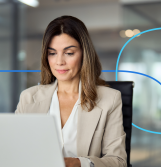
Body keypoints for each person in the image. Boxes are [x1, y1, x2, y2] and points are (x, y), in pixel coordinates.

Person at [15, 15, 127, 167]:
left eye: (69, 53)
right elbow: (15, 152)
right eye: (52, 53)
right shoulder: (28, 98)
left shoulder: (110, 99)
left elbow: (118, 161)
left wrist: (79, 163)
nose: (59, 61)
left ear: (84, 54)